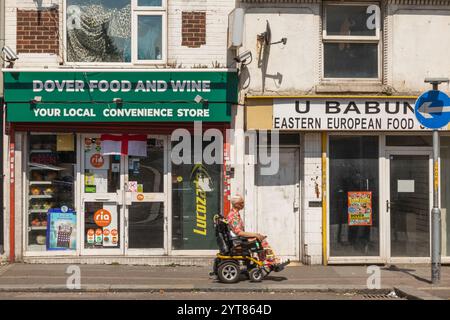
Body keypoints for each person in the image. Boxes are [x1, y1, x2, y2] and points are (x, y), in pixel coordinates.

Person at [227, 194, 289, 270]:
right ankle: (271, 261)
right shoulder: (234, 216)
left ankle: (267, 260)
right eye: (241, 203)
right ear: (236, 204)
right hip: (238, 241)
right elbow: (239, 232)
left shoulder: (235, 214)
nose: (243, 204)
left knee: (260, 238)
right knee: (261, 240)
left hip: (239, 239)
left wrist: (256, 235)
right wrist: (255, 235)